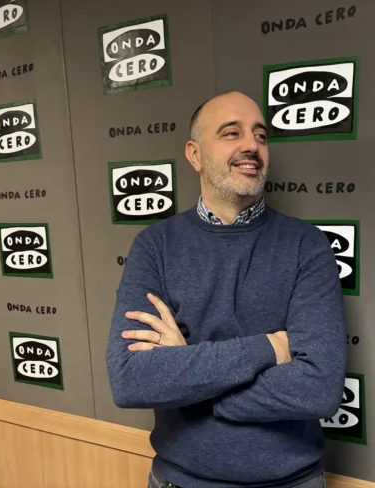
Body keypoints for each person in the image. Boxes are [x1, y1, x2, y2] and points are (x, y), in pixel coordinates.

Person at [106, 90, 347, 488]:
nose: (252, 145)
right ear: (195, 154)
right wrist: (269, 347)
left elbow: (318, 388)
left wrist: (186, 375)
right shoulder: (155, 246)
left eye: (260, 135)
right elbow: (131, 379)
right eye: (232, 133)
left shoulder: (306, 246)